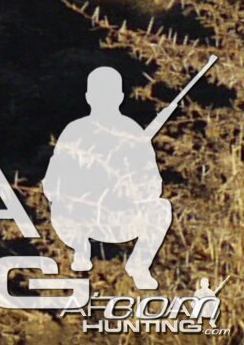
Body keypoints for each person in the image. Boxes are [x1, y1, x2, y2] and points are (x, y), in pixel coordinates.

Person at [43, 63, 173, 289]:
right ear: (89, 97)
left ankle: (139, 265)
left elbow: (153, 187)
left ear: (120, 97)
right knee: (61, 206)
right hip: (80, 218)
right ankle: (80, 249)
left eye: (109, 93)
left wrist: (127, 183)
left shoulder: (132, 132)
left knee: (161, 209)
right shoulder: (75, 131)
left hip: (119, 218)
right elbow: (52, 185)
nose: (104, 99)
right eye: (99, 93)